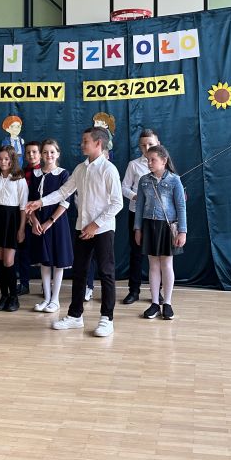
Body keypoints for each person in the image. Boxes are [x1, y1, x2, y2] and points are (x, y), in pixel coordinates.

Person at [25, 127, 122, 337]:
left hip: (103, 229)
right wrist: (39, 202)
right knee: (79, 272)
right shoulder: (80, 168)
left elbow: (117, 203)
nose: (81, 144)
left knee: (106, 272)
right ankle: (75, 316)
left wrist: (95, 225)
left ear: (98, 143)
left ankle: (107, 319)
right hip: (82, 228)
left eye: (85, 141)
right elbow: (63, 192)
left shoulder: (109, 169)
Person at [134, 145, 187, 321]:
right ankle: (155, 303)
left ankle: (168, 303)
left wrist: (182, 231)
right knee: (153, 265)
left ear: (164, 161)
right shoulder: (143, 180)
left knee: (167, 264)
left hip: (167, 226)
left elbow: (181, 207)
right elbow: (139, 207)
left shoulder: (174, 180)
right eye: (147, 160)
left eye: (153, 160)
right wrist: (138, 228)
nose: (149, 163)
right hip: (149, 225)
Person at [28, 138, 73, 313]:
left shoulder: (63, 174)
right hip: (39, 223)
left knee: (57, 261)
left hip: (57, 222)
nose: (49, 155)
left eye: (52, 152)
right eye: (45, 152)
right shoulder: (35, 174)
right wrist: (34, 221)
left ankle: (55, 300)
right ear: (41, 155)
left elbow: (65, 202)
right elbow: (30, 201)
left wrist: (50, 221)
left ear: (58, 154)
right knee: (45, 261)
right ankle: (46, 298)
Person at [0, 145, 28, 311]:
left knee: (9, 261)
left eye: (6, 159)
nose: (3, 162)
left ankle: (14, 297)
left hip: (12, 220)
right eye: (0, 159)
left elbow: (23, 207)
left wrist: (21, 229)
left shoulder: (19, 179)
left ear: (12, 160)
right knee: (0, 260)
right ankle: (4, 295)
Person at [120, 128, 160, 305]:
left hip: (157, 216)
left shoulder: (163, 164)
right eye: (143, 145)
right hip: (136, 213)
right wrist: (136, 196)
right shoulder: (134, 165)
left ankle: (157, 292)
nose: (147, 148)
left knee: (156, 254)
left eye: (150, 144)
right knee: (136, 253)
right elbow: (124, 188)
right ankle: (134, 291)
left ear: (158, 144)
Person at [15, 140, 41, 296]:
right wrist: (27, 215)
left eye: (34, 152)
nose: (31, 155)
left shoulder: (45, 172)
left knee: (45, 252)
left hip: (42, 217)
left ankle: (47, 286)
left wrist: (35, 215)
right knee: (23, 252)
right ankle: (24, 283)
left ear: (40, 154)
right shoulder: (21, 173)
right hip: (25, 217)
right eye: (28, 152)